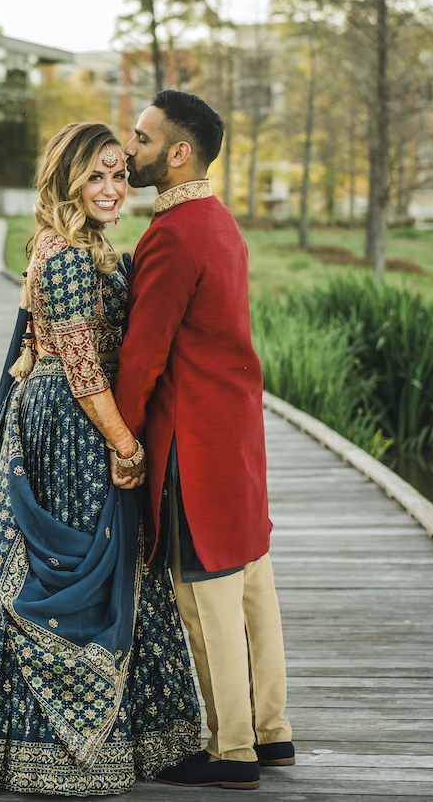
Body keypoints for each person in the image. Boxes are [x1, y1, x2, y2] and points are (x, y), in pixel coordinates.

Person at [0, 121, 201, 795]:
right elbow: (83, 372)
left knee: (97, 562)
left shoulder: (65, 245)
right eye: (93, 175)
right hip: (73, 426)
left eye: (118, 173)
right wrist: (127, 446)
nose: (110, 187)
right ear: (67, 181)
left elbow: (36, 347)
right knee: (86, 563)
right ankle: (67, 748)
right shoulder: (68, 257)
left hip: (55, 415)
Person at [112, 90, 294, 790]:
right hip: (238, 438)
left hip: (193, 443)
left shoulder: (175, 234)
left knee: (206, 600)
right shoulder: (220, 222)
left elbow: (142, 358)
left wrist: (123, 443)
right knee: (252, 588)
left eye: (142, 138)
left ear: (178, 152)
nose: (130, 150)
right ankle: (273, 733)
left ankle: (232, 752)